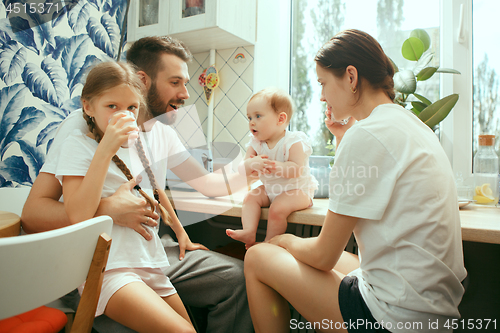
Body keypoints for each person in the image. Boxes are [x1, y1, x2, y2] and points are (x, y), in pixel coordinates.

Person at [21, 36, 253, 333]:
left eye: (185, 83)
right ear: (143, 80)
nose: (185, 93)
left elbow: (203, 184)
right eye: (175, 82)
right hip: (102, 258)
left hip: (149, 251)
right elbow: (33, 215)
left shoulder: (161, 133)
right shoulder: (81, 133)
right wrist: (108, 209)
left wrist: (256, 171)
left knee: (237, 279)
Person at [244, 29, 467, 333]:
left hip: (393, 319)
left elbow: (323, 256)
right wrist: (341, 137)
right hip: (434, 313)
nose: (321, 95)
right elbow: (368, 178)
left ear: (351, 77)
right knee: (349, 260)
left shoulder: (366, 134)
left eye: (323, 83)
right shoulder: (411, 126)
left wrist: (283, 241)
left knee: (259, 255)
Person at [56, 61, 204, 332]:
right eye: (112, 106)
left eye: (131, 108)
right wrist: (106, 149)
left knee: (190, 329)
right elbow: (77, 214)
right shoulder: (77, 146)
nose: (123, 114)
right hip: (108, 270)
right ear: (88, 107)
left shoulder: (139, 147)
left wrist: (181, 233)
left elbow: (155, 193)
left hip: (148, 263)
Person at [226, 88, 318, 247]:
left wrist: (277, 166)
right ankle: (249, 232)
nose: (251, 122)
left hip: (297, 191)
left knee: (277, 208)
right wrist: (251, 164)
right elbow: (242, 169)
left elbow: (296, 169)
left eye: (258, 116)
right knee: (250, 197)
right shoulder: (256, 143)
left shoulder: (293, 141)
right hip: (270, 190)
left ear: (281, 119)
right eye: (249, 117)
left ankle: (270, 243)